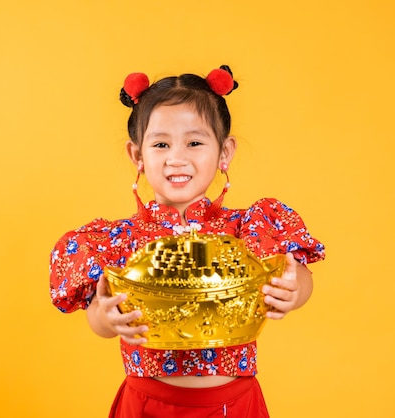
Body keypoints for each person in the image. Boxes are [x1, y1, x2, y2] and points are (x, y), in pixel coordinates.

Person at [49, 66, 325, 417]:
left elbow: (299, 274)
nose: (177, 158)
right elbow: (98, 316)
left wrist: (293, 290)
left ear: (224, 152)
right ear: (138, 155)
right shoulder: (119, 240)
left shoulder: (247, 229)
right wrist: (106, 317)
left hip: (235, 405)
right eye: (161, 144)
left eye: (194, 142)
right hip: (147, 405)